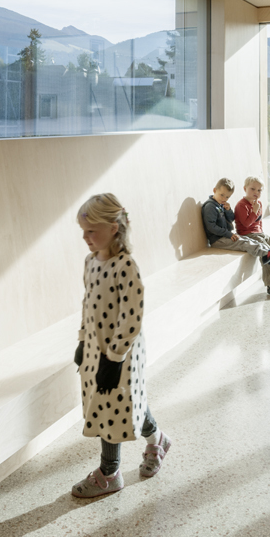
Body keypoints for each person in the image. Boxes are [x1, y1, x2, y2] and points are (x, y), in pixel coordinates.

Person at [72, 193, 171, 498]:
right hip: (95, 349)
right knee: (125, 402)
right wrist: (82, 340)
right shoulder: (90, 262)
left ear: (114, 228)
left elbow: (132, 317)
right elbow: (87, 304)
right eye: (83, 231)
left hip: (121, 353)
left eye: (92, 231)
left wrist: (114, 358)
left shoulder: (125, 265)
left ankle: (109, 472)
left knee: (111, 408)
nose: (86, 238)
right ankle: (158, 439)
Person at [201, 178, 270, 270]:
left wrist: (228, 210)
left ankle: (267, 254)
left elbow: (231, 218)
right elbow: (211, 227)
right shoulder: (210, 206)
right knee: (243, 243)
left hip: (225, 236)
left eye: (227, 197)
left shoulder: (220, 203)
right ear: (214, 190)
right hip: (217, 240)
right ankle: (266, 253)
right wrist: (228, 234)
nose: (224, 199)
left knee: (249, 240)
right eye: (222, 195)